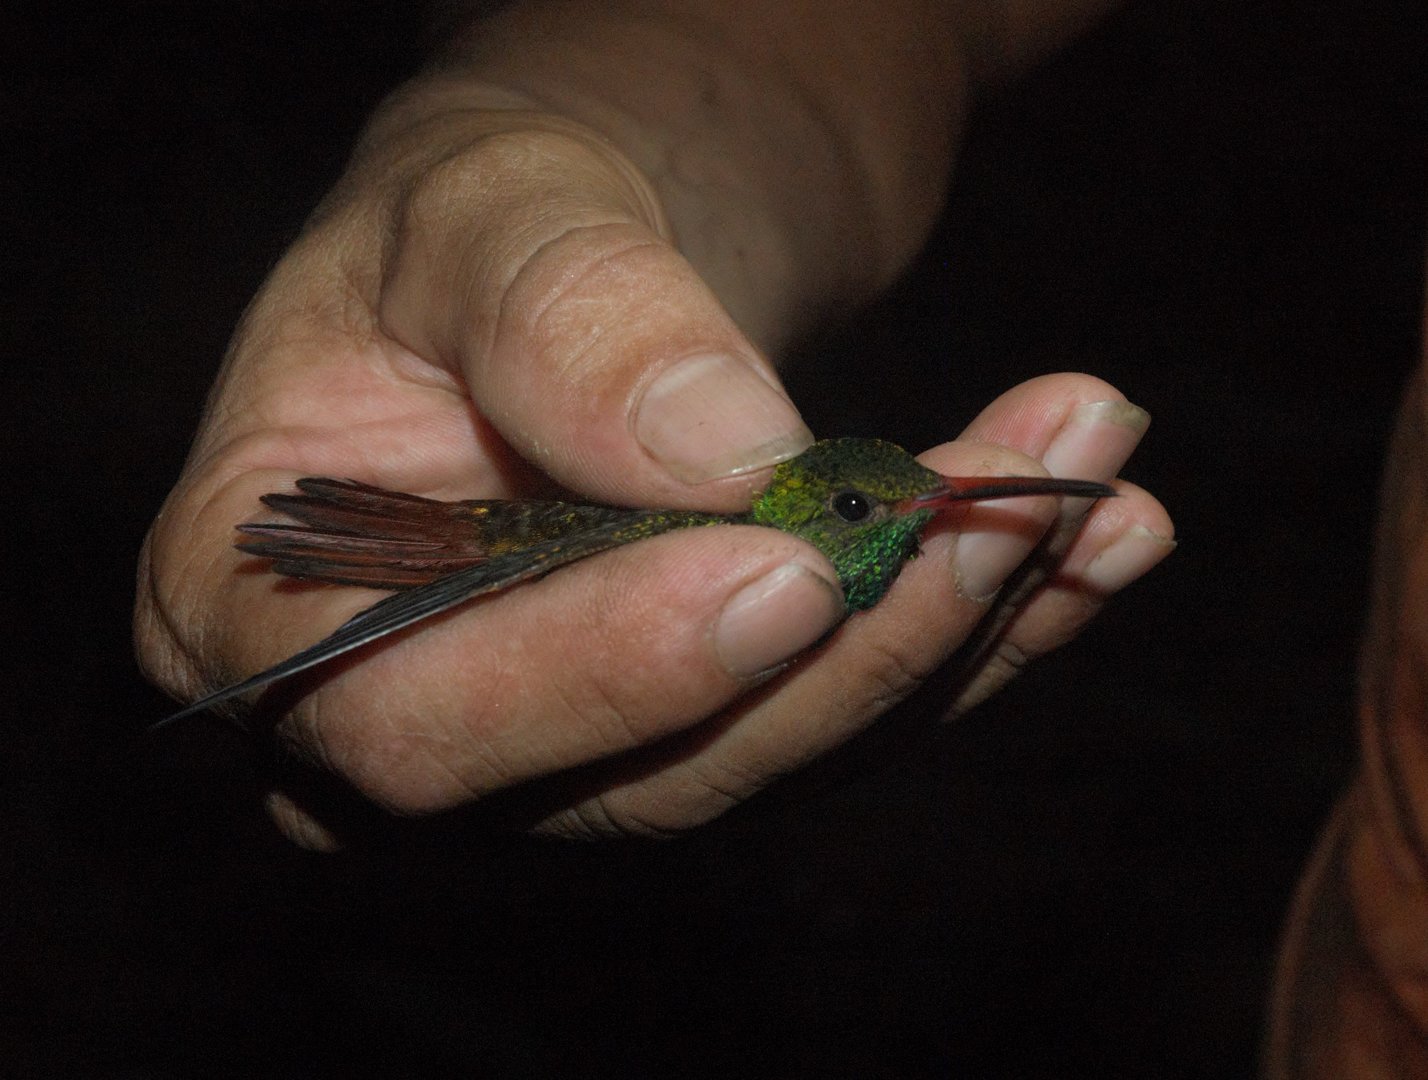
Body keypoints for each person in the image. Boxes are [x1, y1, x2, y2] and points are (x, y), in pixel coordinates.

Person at [137, 1, 1428, 1073]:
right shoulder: (737, 521)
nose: (912, 521)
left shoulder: (845, 550)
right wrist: (534, 141)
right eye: (873, 511)